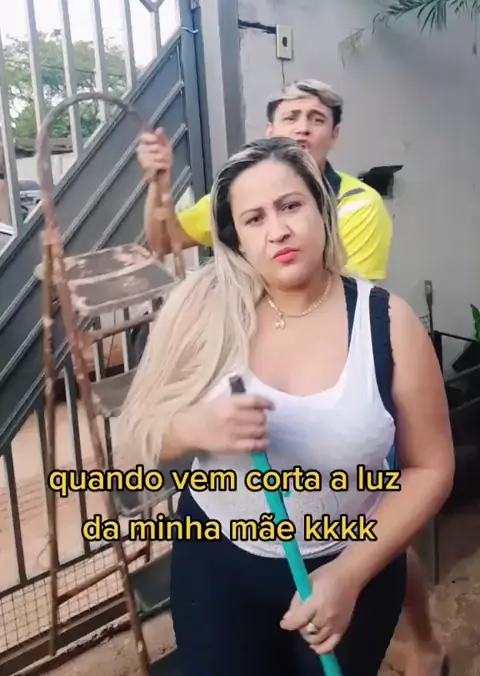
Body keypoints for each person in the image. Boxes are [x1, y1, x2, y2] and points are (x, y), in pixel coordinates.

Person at [137, 80, 448, 676]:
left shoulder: (387, 320)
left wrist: (349, 574)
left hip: (349, 560)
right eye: (253, 219)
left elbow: (430, 467)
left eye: (291, 207)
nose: (276, 230)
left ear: (321, 208)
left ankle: (422, 642)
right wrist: (193, 428)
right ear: (234, 237)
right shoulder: (201, 312)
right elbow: (144, 438)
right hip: (215, 561)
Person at [138, 79, 392, 282]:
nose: (303, 128)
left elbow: (351, 305)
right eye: (291, 117)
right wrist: (158, 184)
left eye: (317, 119)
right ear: (270, 132)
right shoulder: (239, 193)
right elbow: (164, 241)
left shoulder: (358, 204)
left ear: (334, 135)